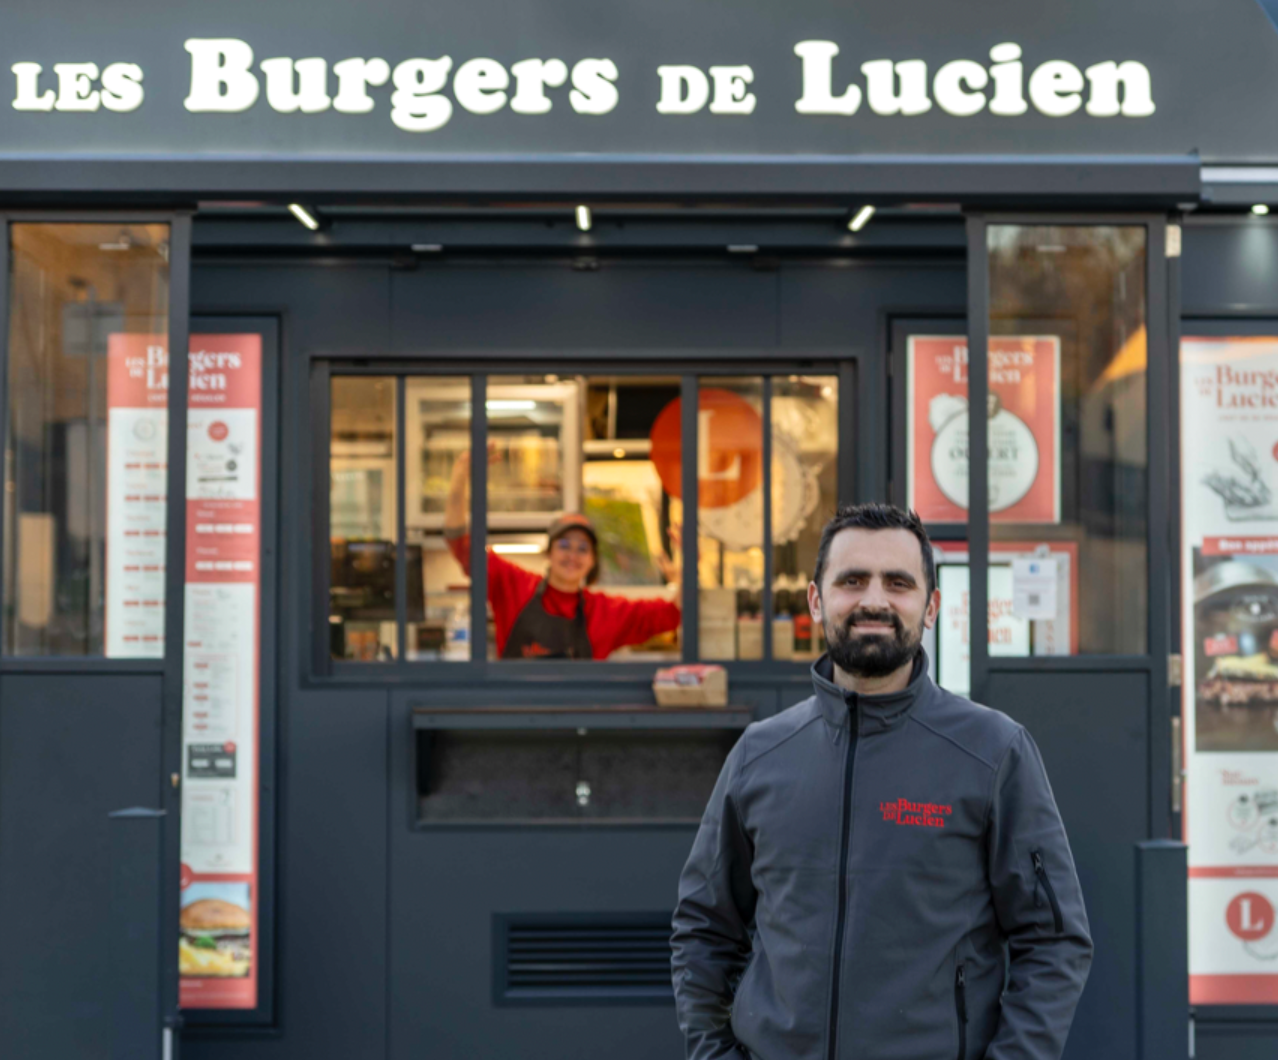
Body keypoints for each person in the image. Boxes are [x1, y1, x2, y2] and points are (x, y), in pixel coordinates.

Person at [670, 503, 1092, 1060]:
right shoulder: (760, 754)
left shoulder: (992, 751)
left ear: (932, 605)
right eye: (852, 581)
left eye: (898, 583)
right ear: (817, 601)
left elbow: (1054, 941)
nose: (874, 600)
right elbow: (704, 928)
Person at [444, 451, 680, 660]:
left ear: (593, 561)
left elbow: (672, 614)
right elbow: (461, 544)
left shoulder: (604, 612)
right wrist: (460, 475)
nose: (572, 555)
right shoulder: (515, 586)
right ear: (549, 553)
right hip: (515, 709)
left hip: (577, 710)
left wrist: (686, 573)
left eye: (583, 548)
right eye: (565, 545)